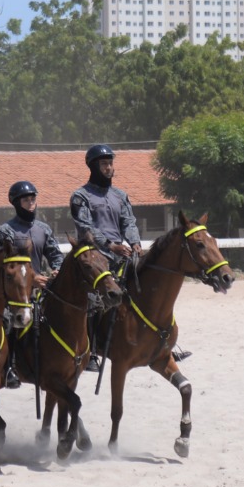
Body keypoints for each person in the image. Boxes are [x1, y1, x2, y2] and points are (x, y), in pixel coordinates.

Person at [71, 144, 188, 368]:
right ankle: (90, 349)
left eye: (110, 163)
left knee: (152, 288)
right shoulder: (80, 196)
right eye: (104, 164)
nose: (109, 167)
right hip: (94, 257)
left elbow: (128, 222)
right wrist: (110, 245)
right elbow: (85, 228)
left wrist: (134, 242)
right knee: (94, 299)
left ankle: (165, 344)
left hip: (121, 254)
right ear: (93, 167)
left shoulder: (120, 195)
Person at [0, 180, 62, 389]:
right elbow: (1, 264)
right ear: (16, 203)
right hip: (16, 293)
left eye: (33, 198)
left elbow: (55, 254)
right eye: (26, 200)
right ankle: (9, 368)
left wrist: (57, 268)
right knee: (10, 323)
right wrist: (32, 281)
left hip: (44, 288)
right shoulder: (6, 230)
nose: (31, 203)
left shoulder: (44, 229)